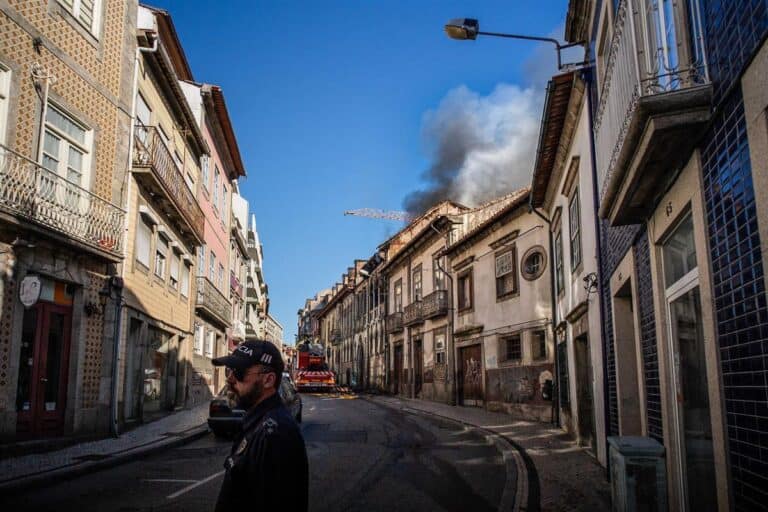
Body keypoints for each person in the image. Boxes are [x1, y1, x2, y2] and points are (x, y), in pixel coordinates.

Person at [212, 340, 308, 511]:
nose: (230, 378)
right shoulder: (255, 422)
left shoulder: (276, 435)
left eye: (239, 372)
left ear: (268, 380)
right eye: (229, 370)